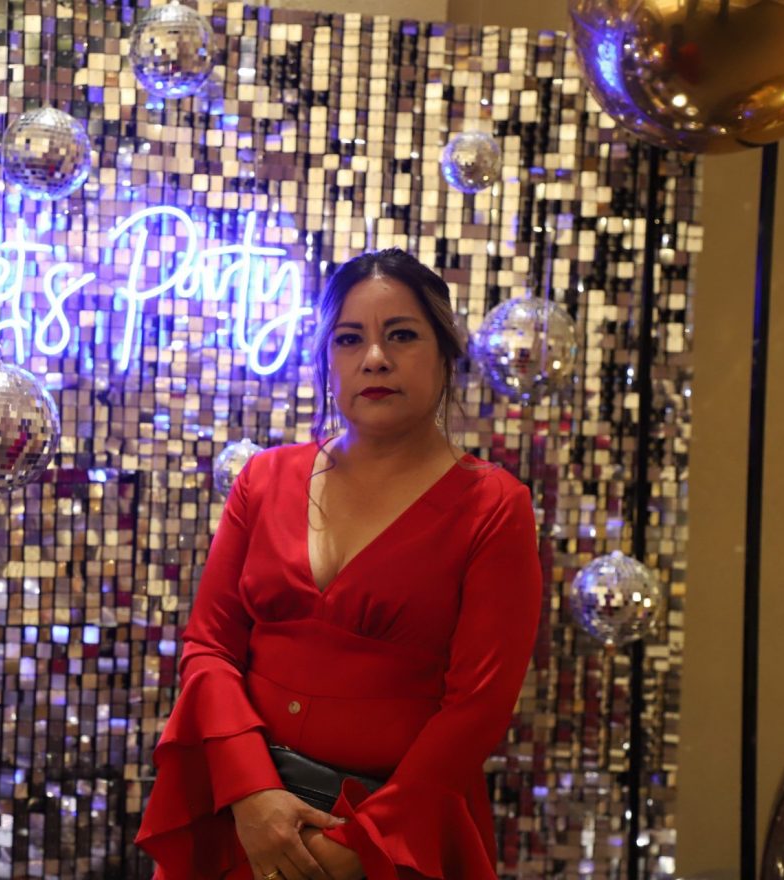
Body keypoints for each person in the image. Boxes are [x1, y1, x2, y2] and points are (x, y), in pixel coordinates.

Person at [134, 249, 544, 880]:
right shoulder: (263, 479)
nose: (374, 358)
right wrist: (250, 794)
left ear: (446, 353)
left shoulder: (493, 506)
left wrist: (361, 845)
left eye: (401, 335)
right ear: (328, 358)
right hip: (241, 821)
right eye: (350, 338)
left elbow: (476, 710)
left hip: (395, 837)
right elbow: (209, 647)